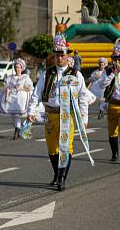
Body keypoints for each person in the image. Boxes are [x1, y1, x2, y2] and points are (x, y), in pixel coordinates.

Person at [28, 35, 94, 191]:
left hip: (67, 115)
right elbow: (37, 93)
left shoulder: (75, 74)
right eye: (57, 54)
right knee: (52, 148)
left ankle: (61, 178)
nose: (59, 57)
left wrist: (84, 118)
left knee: (65, 147)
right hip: (50, 115)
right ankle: (57, 174)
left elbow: (83, 96)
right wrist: (31, 110)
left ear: (68, 55)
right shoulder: (48, 73)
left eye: (62, 54)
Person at [90, 43, 120, 163]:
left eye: (119, 59)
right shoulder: (107, 72)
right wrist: (113, 73)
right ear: (112, 60)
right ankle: (114, 153)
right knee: (112, 131)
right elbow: (102, 85)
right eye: (115, 59)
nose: (117, 61)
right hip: (112, 105)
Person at [0, 58, 32, 139]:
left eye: (18, 67)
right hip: (12, 98)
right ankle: (17, 129)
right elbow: (7, 88)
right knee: (13, 115)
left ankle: (17, 130)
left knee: (18, 115)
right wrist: (6, 96)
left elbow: (29, 88)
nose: (17, 69)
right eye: (16, 67)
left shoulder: (25, 77)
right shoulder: (11, 77)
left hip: (21, 99)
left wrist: (21, 88)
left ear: (22, 68)